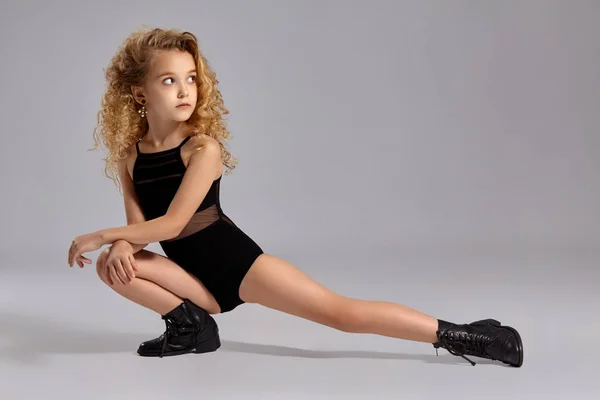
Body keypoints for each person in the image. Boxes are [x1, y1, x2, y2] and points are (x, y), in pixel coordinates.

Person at [67, 27, 523, 367]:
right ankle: (192, 328)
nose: (185, 89)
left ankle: (467, 336)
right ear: (138, 92)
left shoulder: (202, 149)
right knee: (115, 265)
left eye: (190, 78)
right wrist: (121, 243)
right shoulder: (130, 156)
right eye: (169, 81)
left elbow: (172, 225)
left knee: (341, 314)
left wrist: (102, 235)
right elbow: (140, 228)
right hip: (189, 279)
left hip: (236, 265)